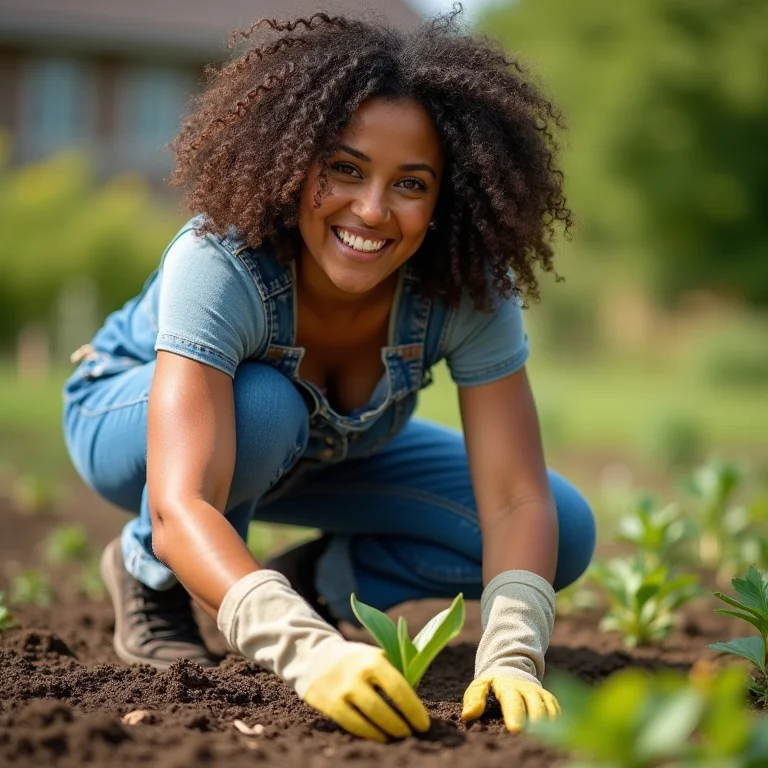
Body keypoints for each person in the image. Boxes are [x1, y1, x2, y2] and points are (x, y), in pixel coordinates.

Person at [62, 8, 595, 743]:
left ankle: (319, 583)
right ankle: (149, 578)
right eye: (344, 169)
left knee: (562, 529)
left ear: (448, 198)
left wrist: (511, 653)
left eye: (410, 183)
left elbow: (513, 497)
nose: (371, 211)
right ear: (295, 162)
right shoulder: (222, 260)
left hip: (323, 455)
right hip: (134, 424)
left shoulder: (470, 288)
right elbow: (182, 500)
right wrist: (305, 652)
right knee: (263, 407)